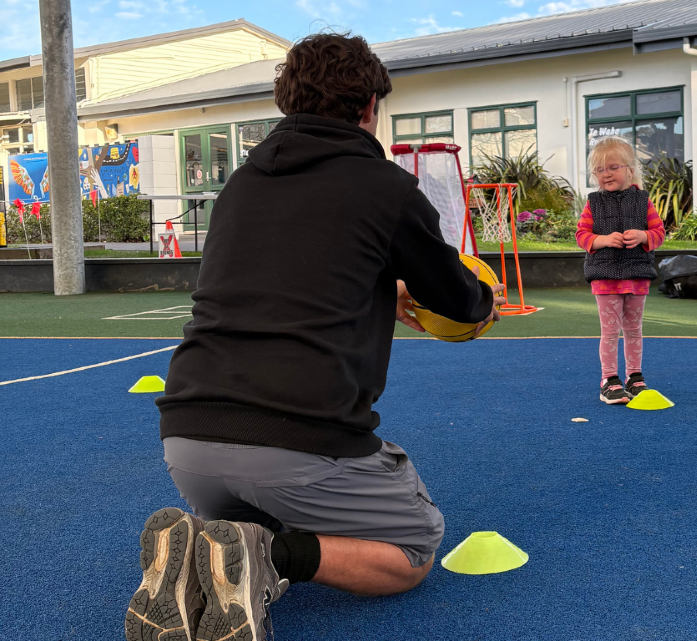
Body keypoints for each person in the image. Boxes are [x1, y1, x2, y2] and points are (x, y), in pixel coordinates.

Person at [125, 33, 505, 641]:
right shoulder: (385, 187)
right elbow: (457, 297)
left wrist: (382, 291)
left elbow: (296, 276)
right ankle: (269, 559)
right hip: (295, 444)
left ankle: (217, 543)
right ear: (369, 108)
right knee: (414, 547)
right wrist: (482, 306)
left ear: (287, 103)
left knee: (252, 506)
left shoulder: (240, 187)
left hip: (187, 443)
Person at [575, 137, 665, 404]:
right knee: (610, 331)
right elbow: (582, 235)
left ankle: (634, 377)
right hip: (604, 277)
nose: (606, 174)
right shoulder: (593, 203)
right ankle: (609, 379)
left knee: (634, 329)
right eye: (600, 170)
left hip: (637, 274)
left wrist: (643, 236)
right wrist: (603, 240)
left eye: (612, 167)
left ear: (630, 169)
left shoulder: (643, 201)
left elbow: (659, 233)